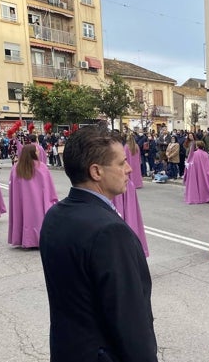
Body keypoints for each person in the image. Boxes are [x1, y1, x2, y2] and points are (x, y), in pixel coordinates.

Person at [39, 126, 157, 361]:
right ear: (96, 172)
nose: (129, 168)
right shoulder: (109, 231)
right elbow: (129, 319)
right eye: (121, 163)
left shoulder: (55, 215)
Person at [8, 144, 58, 248]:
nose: (39, 152)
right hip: (38, 200)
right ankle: (38, 239)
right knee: (39, 218)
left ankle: (24, 238)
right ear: (32, 153)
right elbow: (48, 186)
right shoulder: (41, 166)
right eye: (37, 151)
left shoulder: (16, 167)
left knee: (22, 215)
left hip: (22, 201)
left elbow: (14, 189)